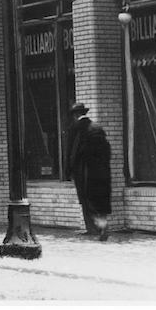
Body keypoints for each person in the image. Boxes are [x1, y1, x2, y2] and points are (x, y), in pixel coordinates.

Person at [65, 102, 112, 241]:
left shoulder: (75, 128)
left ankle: (93, 229)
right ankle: (102, 226)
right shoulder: (97, 128)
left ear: (75, 115)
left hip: (83, 170)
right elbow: (107, 150)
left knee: (86, 200)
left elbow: (71, 151)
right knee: (100, 200)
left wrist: (68, 170)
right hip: (101, 171)